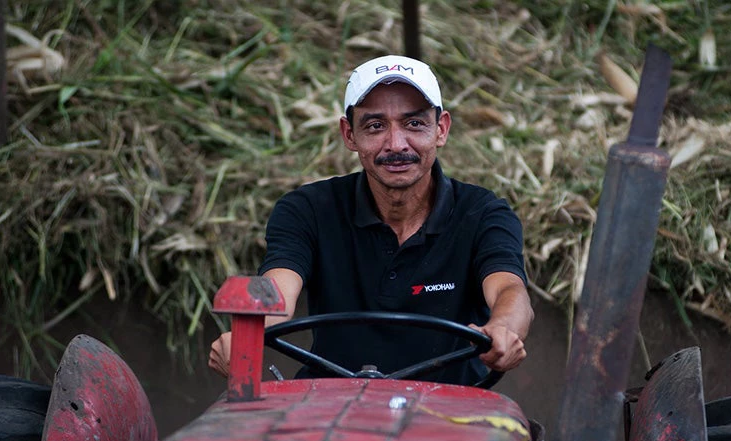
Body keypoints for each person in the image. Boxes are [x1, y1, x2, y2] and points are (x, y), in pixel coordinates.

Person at [208, 54, 533, 385]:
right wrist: (246, 332)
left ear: (441, 129)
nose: (395, 144)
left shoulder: (483, 212)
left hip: (453, 412)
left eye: (414, 123)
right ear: (349, 135)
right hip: (331, 409)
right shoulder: (307, 209)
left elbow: (508, 288)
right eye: (375, 126)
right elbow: (278, 288)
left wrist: (503, 329)